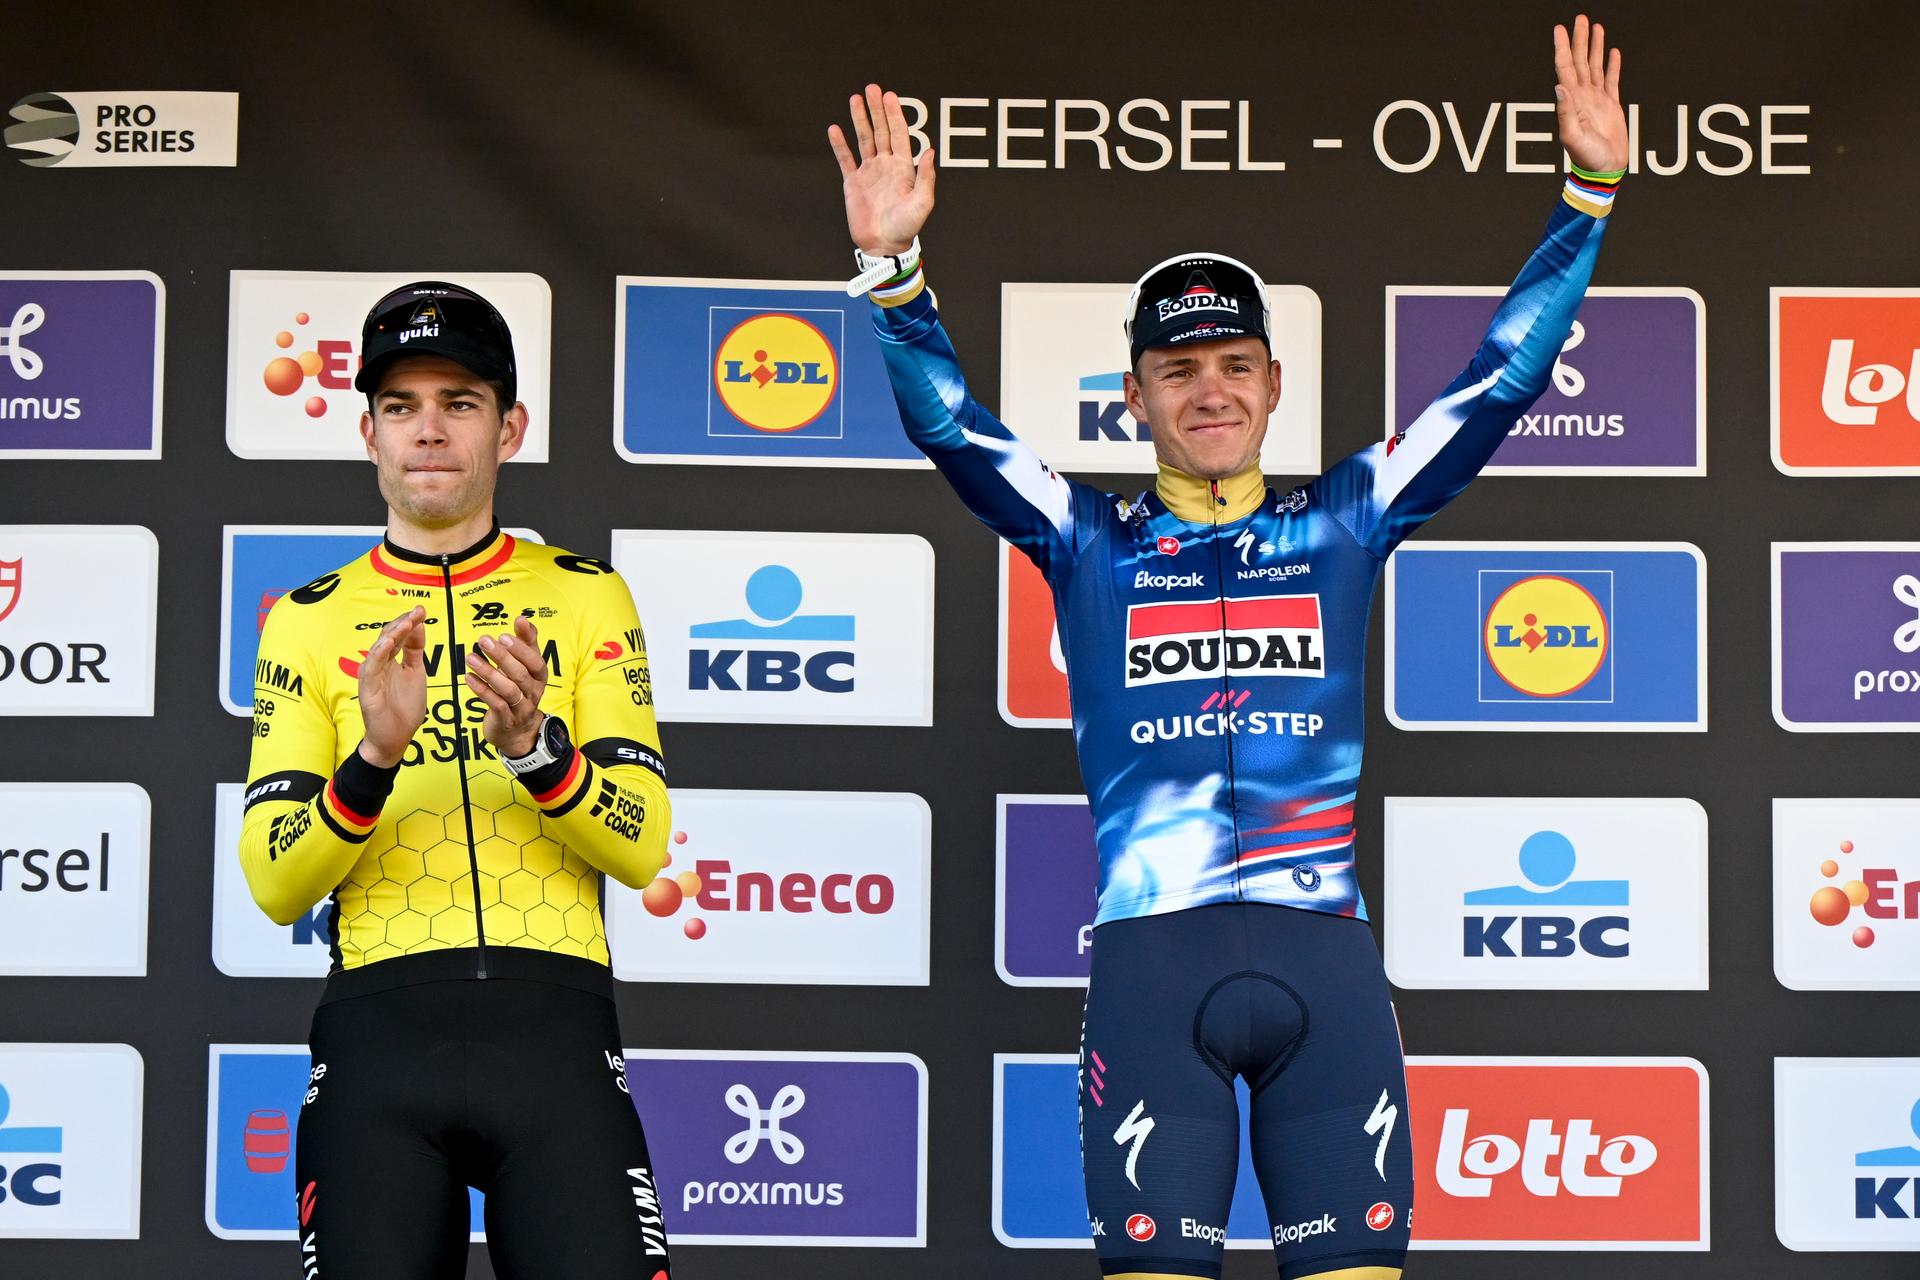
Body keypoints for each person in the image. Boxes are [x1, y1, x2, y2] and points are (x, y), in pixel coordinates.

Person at [830, 15, 1626, 1280]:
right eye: (1180, 367)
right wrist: (896, 276)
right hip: (1155, 969)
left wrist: (1586, 196)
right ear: (1133, 393)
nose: (1211, 389)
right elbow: (953, 429)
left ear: (1273, 384)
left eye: (1235, 365)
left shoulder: (1348, 517)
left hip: (1328, 964)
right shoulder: (1084, 536)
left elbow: (1501, 380)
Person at [238, 281, 675, 1280]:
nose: (428, 430)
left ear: (509, 427)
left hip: (556, 1040)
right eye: (402, 406)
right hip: (377, 1049)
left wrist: (537, 751)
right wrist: (373, 758)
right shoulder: (307, 618)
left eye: (459, 402)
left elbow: (642, 841)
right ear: (369, 433)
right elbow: (273, 882)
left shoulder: (584, 592)